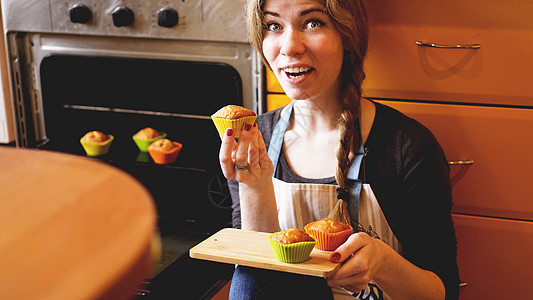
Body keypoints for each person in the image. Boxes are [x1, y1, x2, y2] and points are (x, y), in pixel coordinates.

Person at [218, 0, 460, 299]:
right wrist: (254, 185)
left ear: (347, 35)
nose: (290, 46)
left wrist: (383, 262)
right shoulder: (254, 139)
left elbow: (443, 292)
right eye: (273, 26)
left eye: (313, 23)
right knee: (248, 274)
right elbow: (257, 275)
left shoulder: (406, 146)